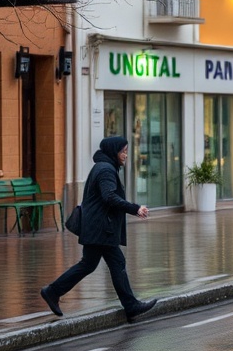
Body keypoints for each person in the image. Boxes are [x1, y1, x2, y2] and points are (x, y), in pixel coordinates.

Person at [40, 136, 157, 322]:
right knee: (115, 263)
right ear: (113, 151)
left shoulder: (104, 167)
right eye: (123, 151)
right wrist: (135, 208)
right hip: (102, 227)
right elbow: (109, 197)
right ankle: (131, 305)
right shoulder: (106, 170)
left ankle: (53, 291)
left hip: (98, 226)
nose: (126, 155)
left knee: (90, 264)